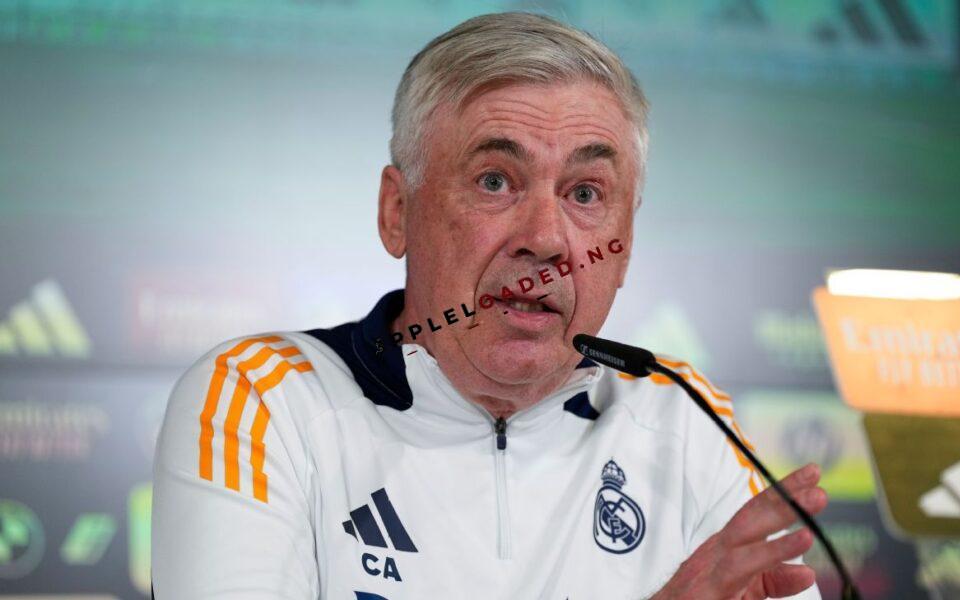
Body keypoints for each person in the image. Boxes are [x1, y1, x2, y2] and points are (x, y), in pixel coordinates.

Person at [152, 11, 826, 599]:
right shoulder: (264, 400)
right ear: (397, 213)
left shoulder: (685, 417)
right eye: (496, 181)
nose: (546, 240)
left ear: (626, 243)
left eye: (585, 193)